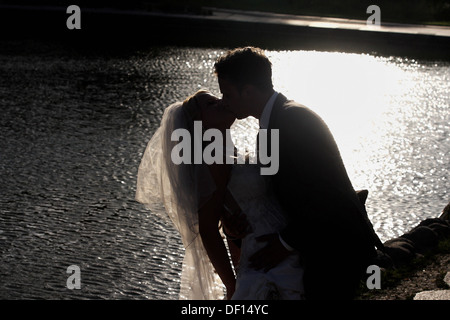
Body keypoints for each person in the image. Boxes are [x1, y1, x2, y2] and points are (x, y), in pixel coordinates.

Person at [214, 47, 384, 300]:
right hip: (321, 244)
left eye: (226, 93)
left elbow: (325, 197)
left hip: (335, 247)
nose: (223, 101)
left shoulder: (291, 121)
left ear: (247, 91)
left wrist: (283, 244)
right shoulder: (281, 119)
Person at [136, 89, 305, 300]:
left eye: (218, 99)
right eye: (211, 104)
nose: (222, 103)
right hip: (267, 262)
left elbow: (239, 219)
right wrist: (232, 285)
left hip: (274, 250)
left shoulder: (230, 153)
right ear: (200, 124)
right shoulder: (215, 158)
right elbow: (207, 229)